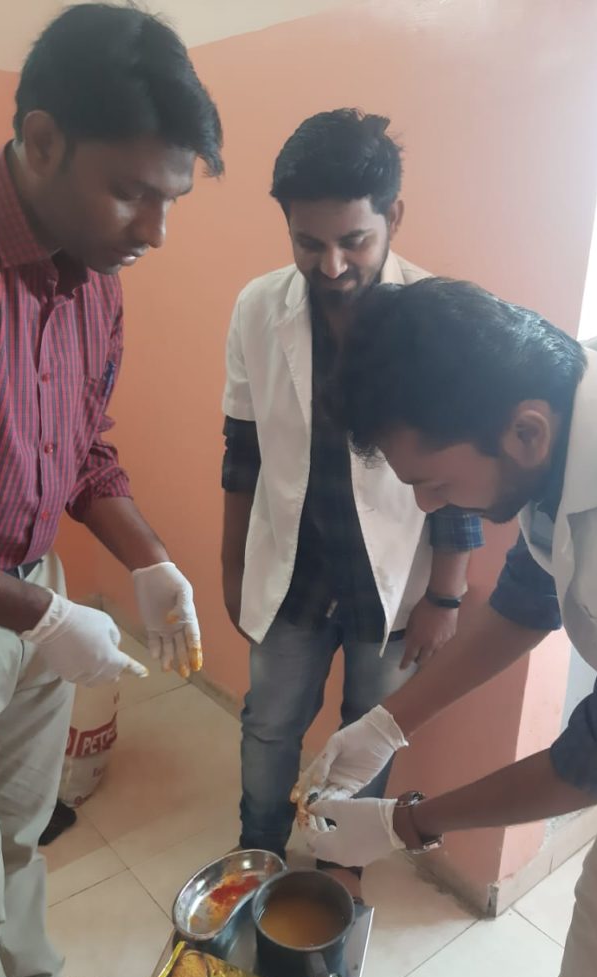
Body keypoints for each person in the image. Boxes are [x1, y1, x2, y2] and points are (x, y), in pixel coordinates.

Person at [0, 5, 222, 977]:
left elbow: (84, 445)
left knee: (21, 830)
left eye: (171, 200)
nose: (154, 232)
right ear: (42, 139)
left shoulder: (94, 274)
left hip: (30, 588)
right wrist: (42, 616)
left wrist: (148, 559)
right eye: (131, 192)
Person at [294, 276, 597, 977]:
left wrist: (405, 822)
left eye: (435, 481)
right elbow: (526, 601)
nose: (427, 504)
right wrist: (385, 724)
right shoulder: (559, 404)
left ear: (525, 435)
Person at [221, 111, 483, 896]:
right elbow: (242, 451)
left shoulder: (433, 316)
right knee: (270, 722)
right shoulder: (257, 308)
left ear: (393, 215)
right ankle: (258, 851)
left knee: (368, 735)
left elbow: (459, 472)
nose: (331, 265)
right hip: (295, 571)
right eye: (309, 243)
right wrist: (232, 566)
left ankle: (341, 864)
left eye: (353, 241)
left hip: (393, 583)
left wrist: (446, 594)